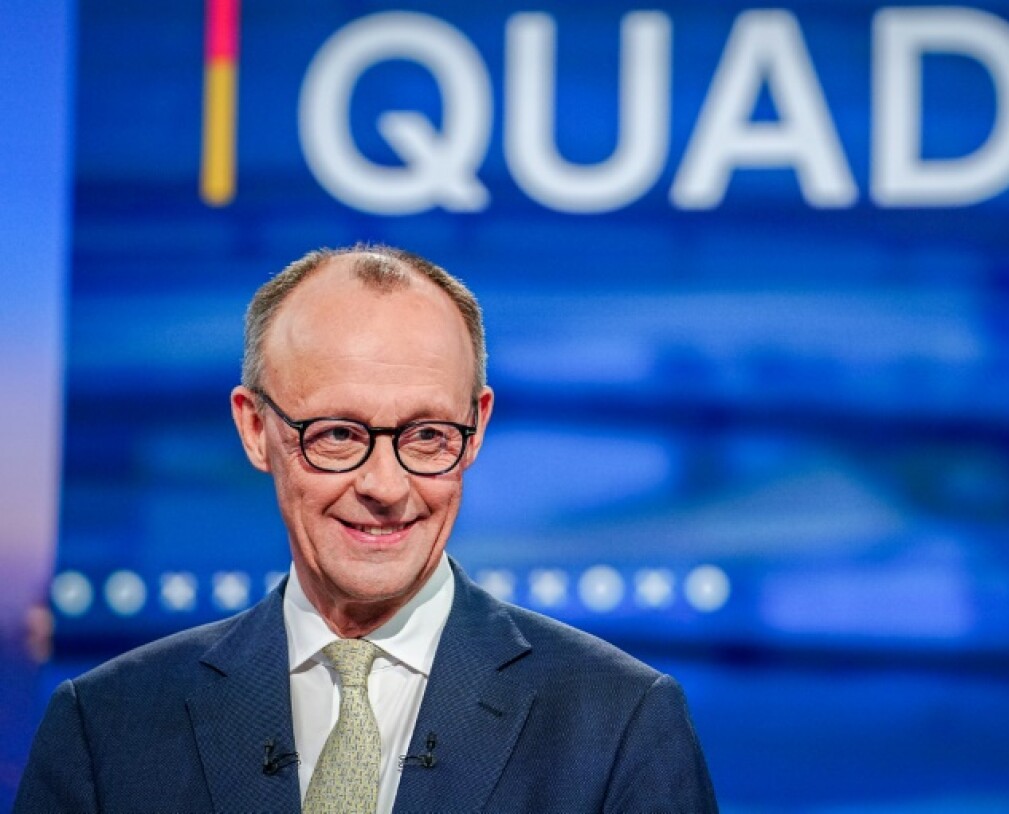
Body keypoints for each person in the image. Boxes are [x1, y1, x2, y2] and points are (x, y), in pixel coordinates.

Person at [16, 244, 718, 813]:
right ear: (255, 428)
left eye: (428, 435)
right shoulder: (106, 729)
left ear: (477, 431)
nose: (385, 486)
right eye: (338, 435)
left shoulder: (619, 725)